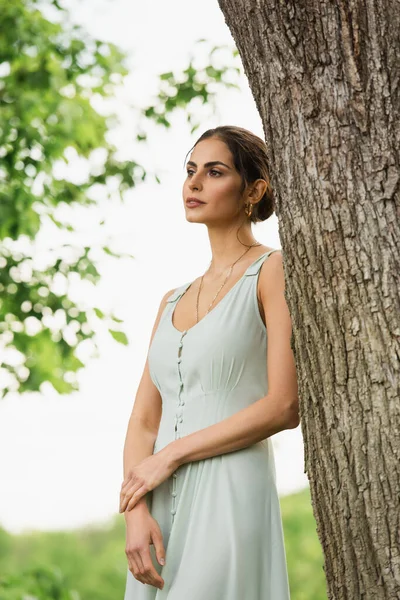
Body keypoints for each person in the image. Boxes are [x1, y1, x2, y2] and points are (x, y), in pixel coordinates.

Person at [120, 125, 299, 599]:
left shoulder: (273, 271)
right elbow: (143, 422)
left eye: (214, 172)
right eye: (190, 171)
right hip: (156, 504)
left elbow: (284, 405)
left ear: (254, 190)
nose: (194, 183)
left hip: (230, 490)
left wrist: (170, 456)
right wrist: (135, 512)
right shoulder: (169, 299)